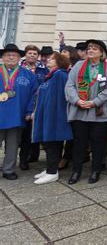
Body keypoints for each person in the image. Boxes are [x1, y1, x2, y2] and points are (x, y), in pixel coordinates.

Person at [65, 39, 107, 184]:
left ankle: (95, 171)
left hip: (99, 114)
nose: (91, 50)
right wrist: (77, 100)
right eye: (89, 48)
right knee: (79, 144)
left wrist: (95, 102)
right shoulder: (78, 66)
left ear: (101, 53)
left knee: (98, 144)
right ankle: (76, 171)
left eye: (95, 48)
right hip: (79, 112)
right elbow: (69, 85)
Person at [32, 52, 72, 184]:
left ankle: (52, 172)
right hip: (46, 114)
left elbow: (63, 96)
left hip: (55, 115)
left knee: (53, 142)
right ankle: (51, 168)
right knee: (48, 142)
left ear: (59, 62)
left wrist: (58, 114)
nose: (48, 60)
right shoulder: (49, 76)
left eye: (52, 59)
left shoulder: (60, 75)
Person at [0, 44, 38, 180]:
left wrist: (29, 111)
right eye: (8, 55)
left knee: (13, 144)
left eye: (14, 55)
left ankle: (8, 169)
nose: (11, 57)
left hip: (17, 116)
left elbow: (34, 95)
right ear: (2, 57)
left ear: (19, 58)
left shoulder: (28, 74)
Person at [19, 44, 48, 169]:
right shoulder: (19, 68)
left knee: (31, 131)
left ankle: (27, 158)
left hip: (38, 104)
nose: (32, 55)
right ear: (25, 54)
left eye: (35, 54)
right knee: (20, 133)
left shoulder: (43, 69)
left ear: (38, 56)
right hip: (20, 104)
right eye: (30, 53)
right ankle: (19, 157)